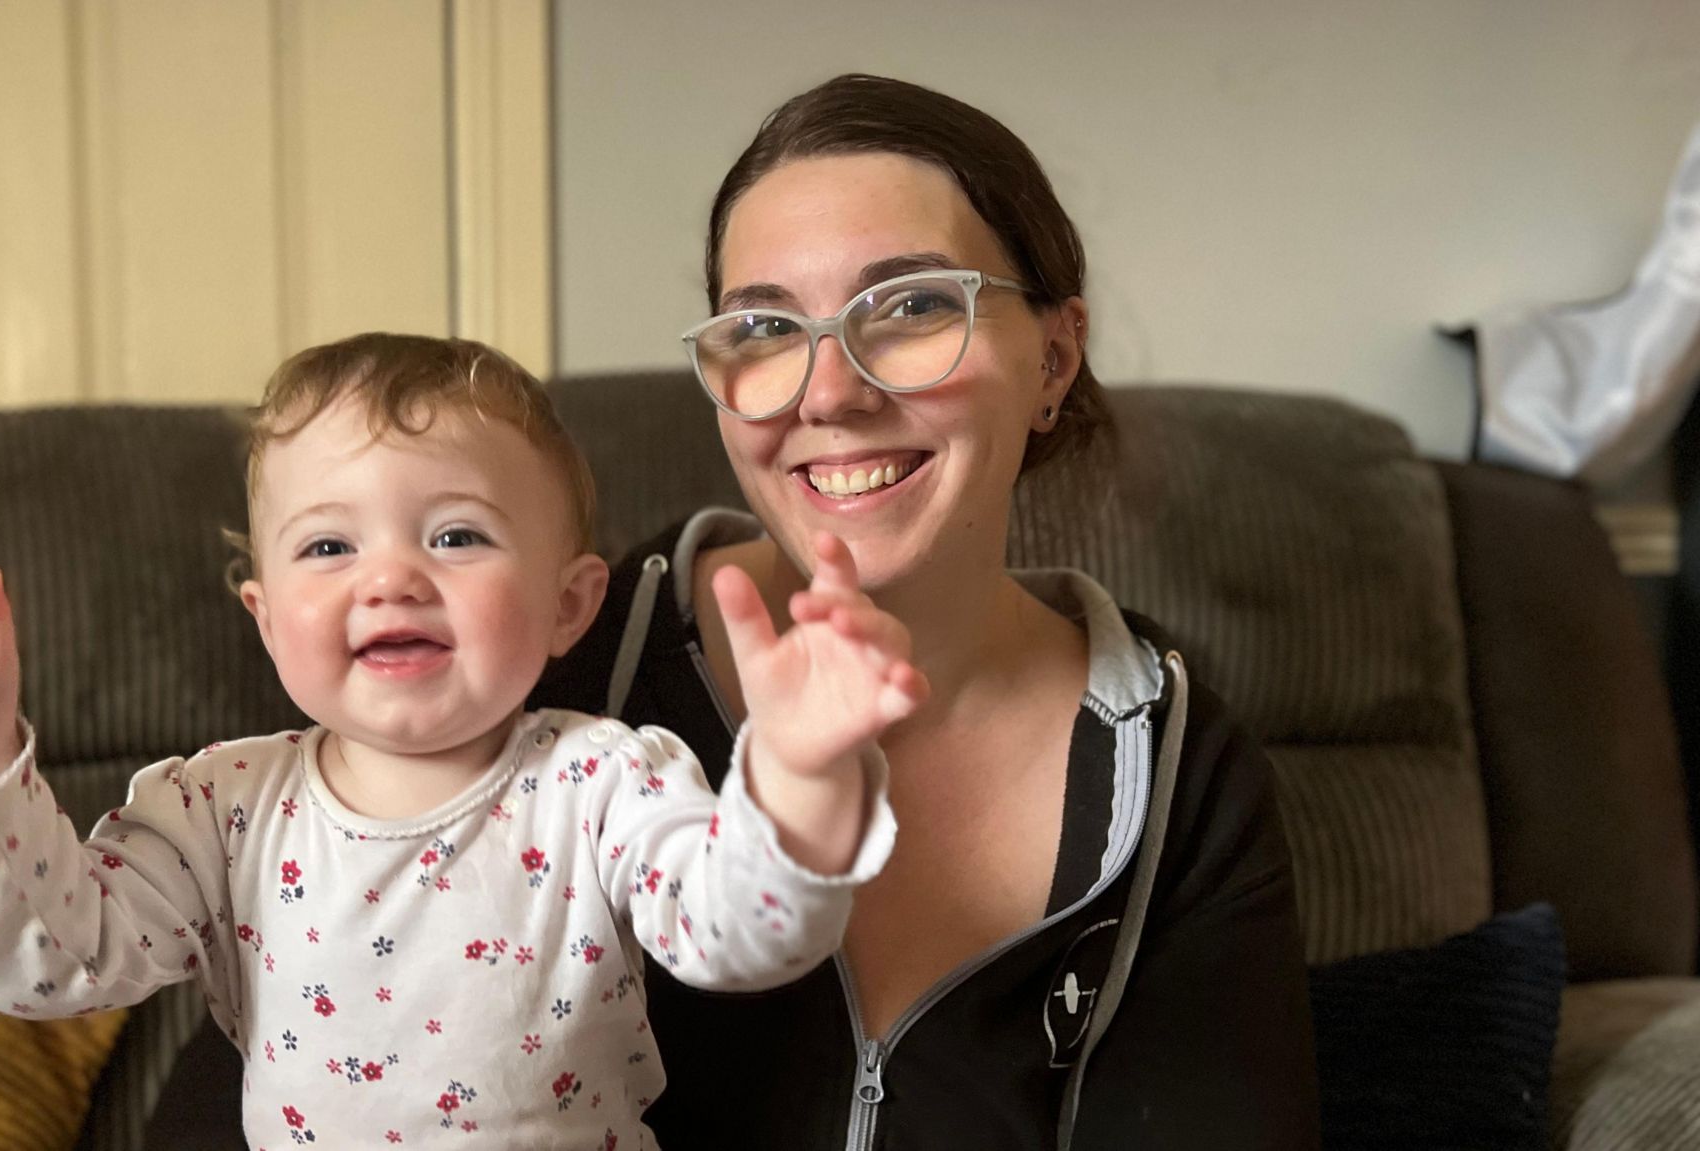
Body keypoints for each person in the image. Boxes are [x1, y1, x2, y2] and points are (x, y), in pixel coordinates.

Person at [0, 333, 930, 1148]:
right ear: (265, 617)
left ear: (571, 604)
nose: (390, 577)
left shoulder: (605, 779)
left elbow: (743, 936)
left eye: (458, 533)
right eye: (328, 548)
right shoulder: (217, 806)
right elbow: (58, 965)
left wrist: (795, 769)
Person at [532, 74, 1320, 1149]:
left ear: (1052, 354)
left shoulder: (1179, 768)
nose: (827, 392)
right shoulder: (569, 660)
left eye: (908, 306)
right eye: (763, 327)